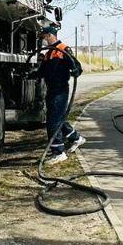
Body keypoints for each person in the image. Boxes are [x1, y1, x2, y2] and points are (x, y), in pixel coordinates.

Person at [36, 24, 85, 163]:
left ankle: (58, 152)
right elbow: (43, 71)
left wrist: (75, 71)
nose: (43, 40)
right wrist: (34, 74)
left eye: (44, 37)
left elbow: (77, 67)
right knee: (58, 118)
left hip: (60, 90)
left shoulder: (63, 49)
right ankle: (76, 138)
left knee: (53, 121)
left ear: (50, 36)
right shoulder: (49, 53)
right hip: (51, 89)